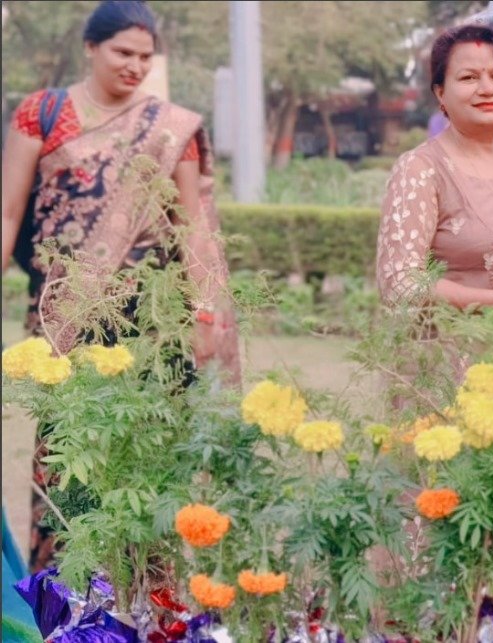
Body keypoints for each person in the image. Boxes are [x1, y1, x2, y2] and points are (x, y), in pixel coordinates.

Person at [0, 0, 241, 573]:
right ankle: (64, 599)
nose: (134, 66)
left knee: (148, 456)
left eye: (144, 56)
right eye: (122, 53)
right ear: (91, 48)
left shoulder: (169, 127)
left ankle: (148, 600)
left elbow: (194, 232)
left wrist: (206, 313)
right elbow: (9, 212)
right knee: (66, 451)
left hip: (153, 320)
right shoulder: (43, 114)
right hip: (66, 314)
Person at [376, 22, 493, 321]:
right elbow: (400, 283)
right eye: (469, 77)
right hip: (448, 356)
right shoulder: (420, 169)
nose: (487, 89)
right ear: (440, 92)